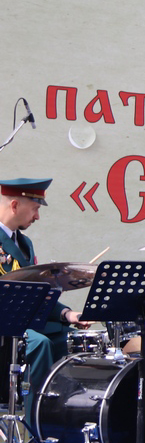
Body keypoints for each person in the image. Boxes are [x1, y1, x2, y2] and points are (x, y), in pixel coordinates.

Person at [0, 178, 86, 421]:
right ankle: (36, 424)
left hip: (20, 323)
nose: (37, 217)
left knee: (70, 340)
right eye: (35, 209)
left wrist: (67, 314)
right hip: (5, 325)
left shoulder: (23, 243)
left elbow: (33, 291)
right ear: (15, 205)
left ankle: (62, 424)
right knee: (39, 344)